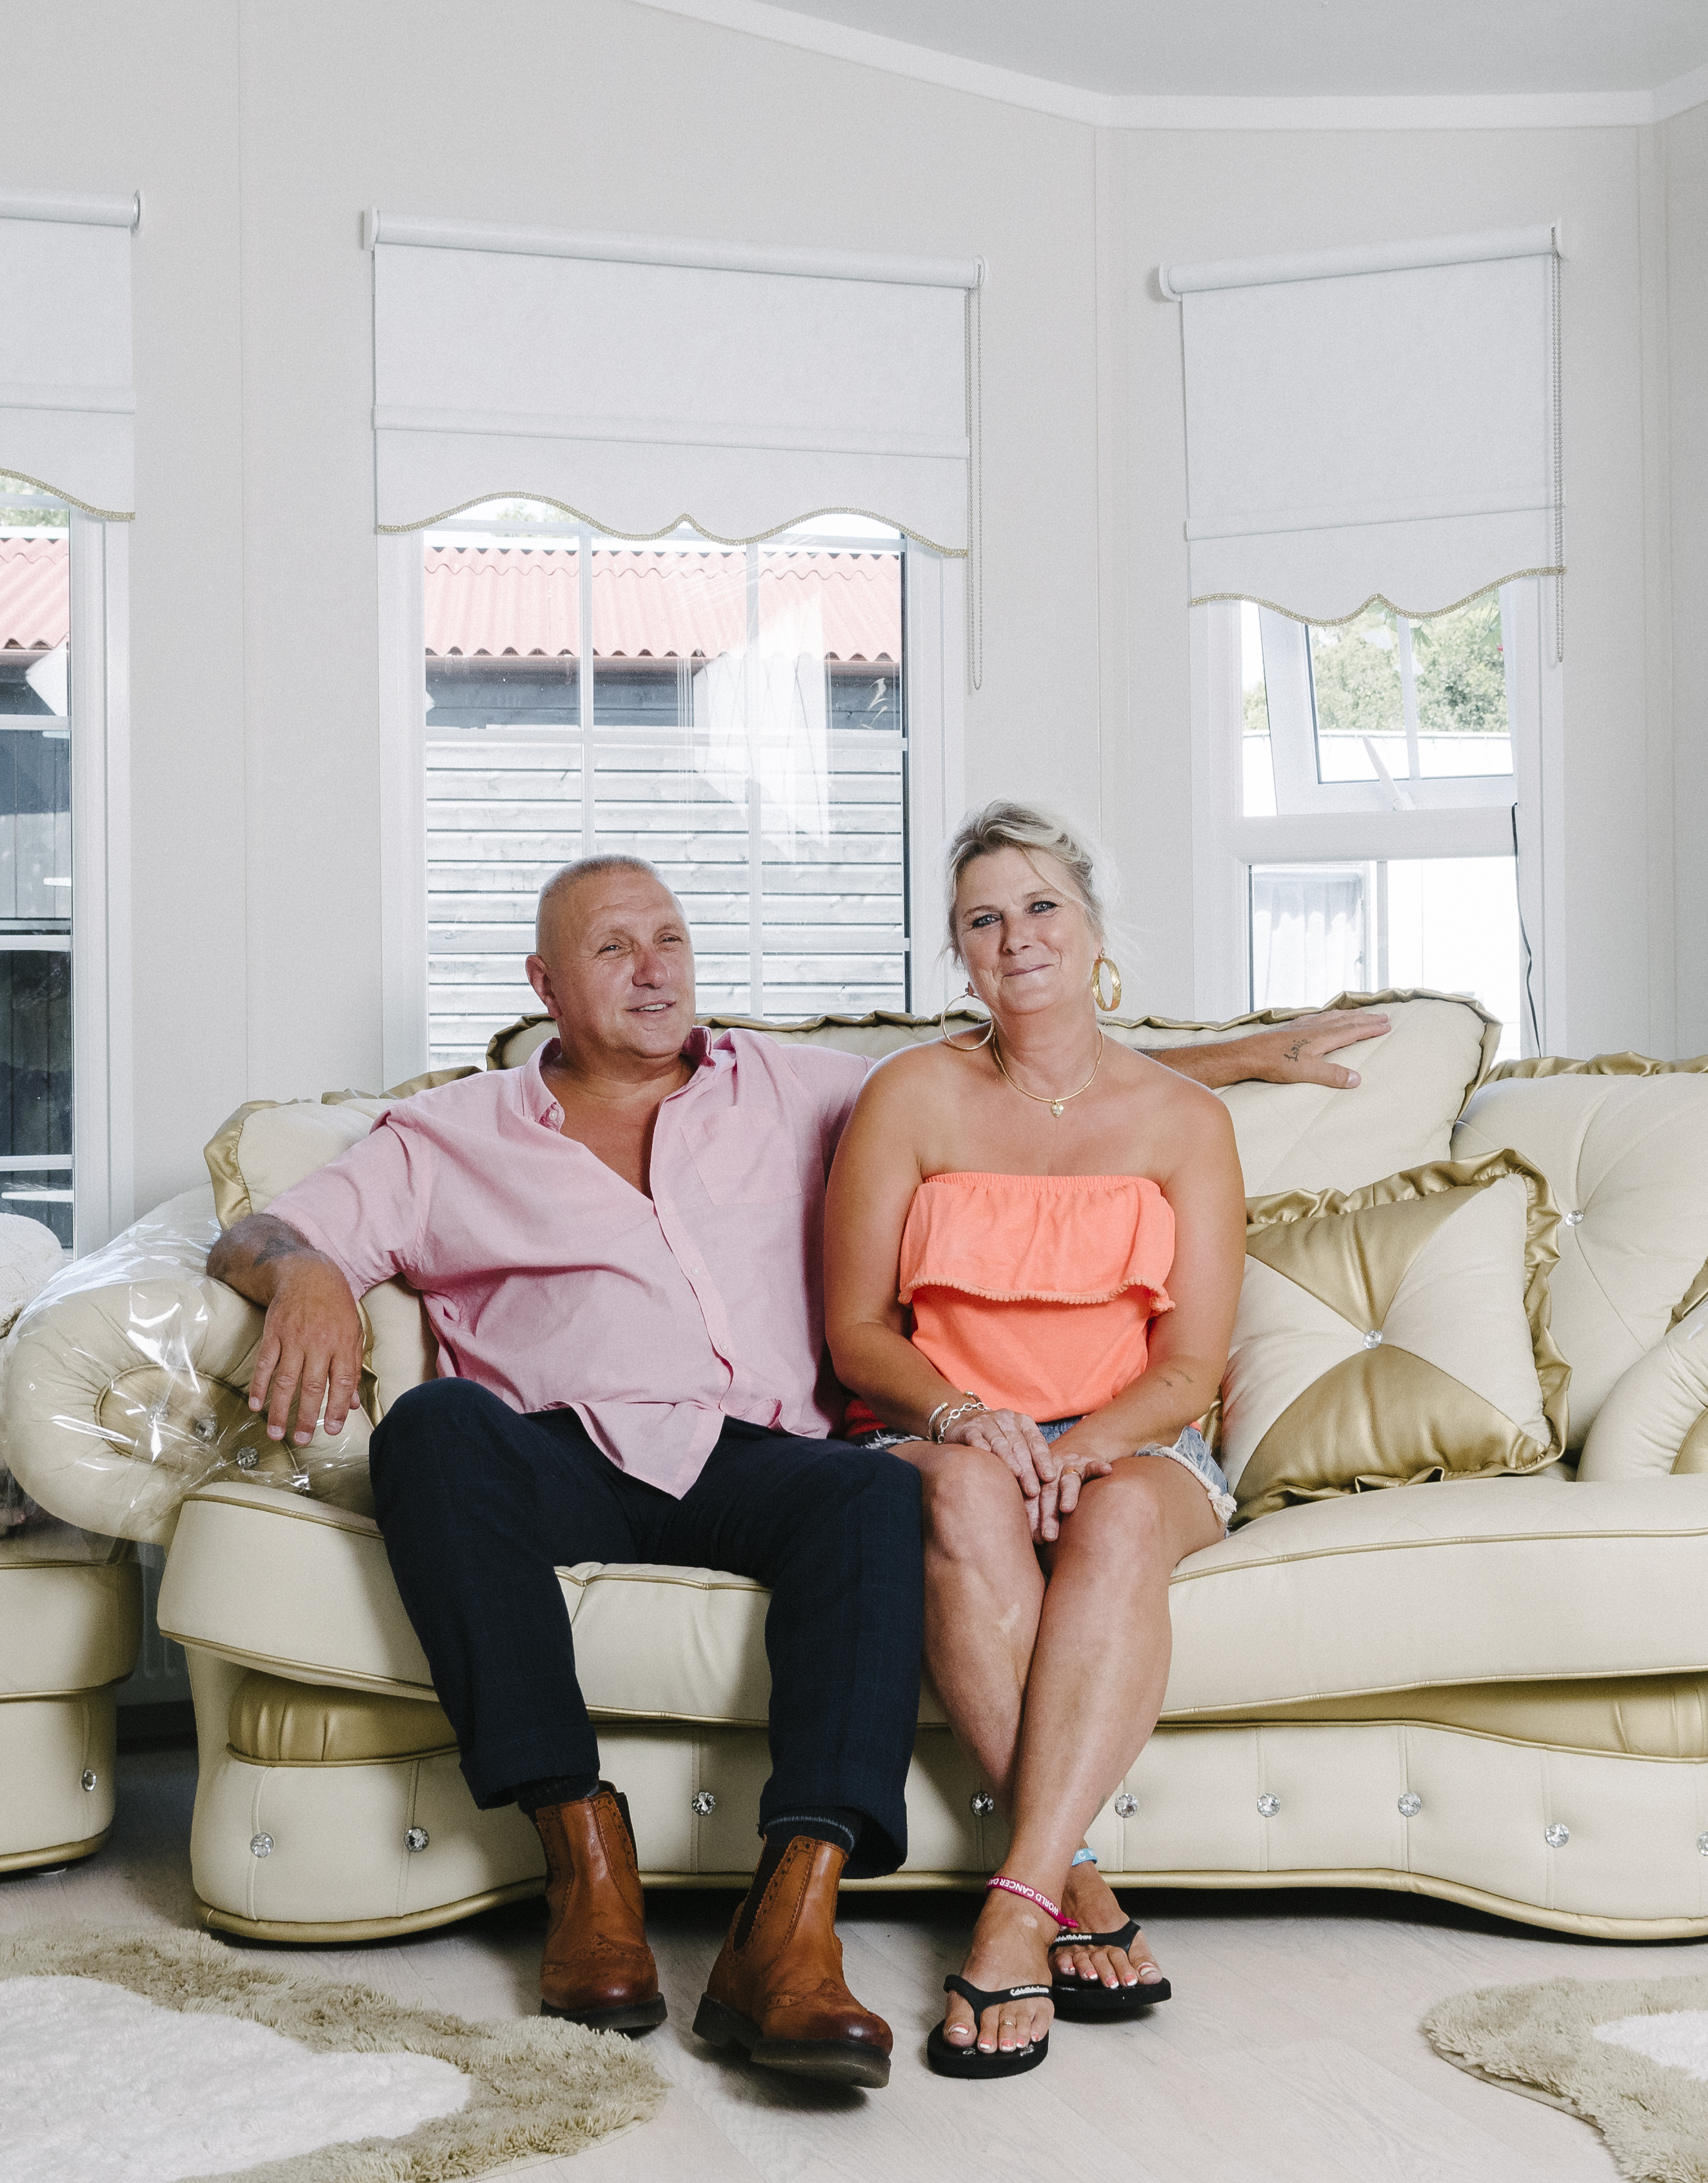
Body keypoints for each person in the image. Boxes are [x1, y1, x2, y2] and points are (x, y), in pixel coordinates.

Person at [203, 853, 1384, 2089]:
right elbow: (259, 1227)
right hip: (565, 1453)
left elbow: (1025, 1090)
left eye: (668, 937)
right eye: (613, 949)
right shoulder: (449, 1132)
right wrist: (304, 1275)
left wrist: (1244, 1057)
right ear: (543, 983)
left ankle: (792, 1932)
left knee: (881, 1484)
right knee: (433, 1428)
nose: (654, 967)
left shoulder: (791, 1085)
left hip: (765, 1460)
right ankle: (582, 1861)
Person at [822, 802, 1244, 2081]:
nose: (1017, 937)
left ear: (1096, 928)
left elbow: (1190, 1365)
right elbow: (855, 1334)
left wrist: (1084, 1441)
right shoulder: (906, 1096)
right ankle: (1071, 1883)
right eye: (982, 918)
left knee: (1117, 1512)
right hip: (943, 1429)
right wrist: (969, 1417)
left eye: (1042, 905)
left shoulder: (1184, 1120)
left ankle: (1011, 1908)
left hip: (1131, 1435)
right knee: (962, 1494)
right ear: (958, 953)